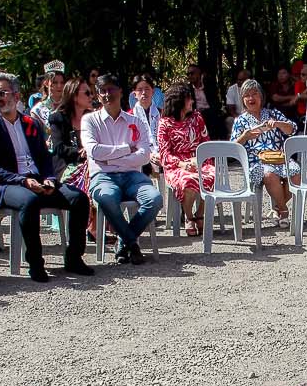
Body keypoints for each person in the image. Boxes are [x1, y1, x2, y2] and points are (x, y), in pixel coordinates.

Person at [0, 72, 94, 280]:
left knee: (78, 198)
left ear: (16, 95)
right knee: (29, 201)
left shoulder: (30, 123)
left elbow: (44, 157)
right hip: (6, 185)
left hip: (37, 180)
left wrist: (49, 178)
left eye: (3, 92)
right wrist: (23, 181)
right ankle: (35, 262)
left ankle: (74, 257)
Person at [80, 74, 161, 264]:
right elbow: (94, 151)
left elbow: (144, 155)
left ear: (121, 92)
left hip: (133, 176)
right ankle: (132, 244)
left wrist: (111, 160)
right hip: (104, 177)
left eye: (111, 89)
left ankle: (123, 241)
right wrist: (126, 149)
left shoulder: (135, 121)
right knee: (106, 198)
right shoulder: (90, 121)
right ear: (98, 95)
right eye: (103, 91)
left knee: (155, 199)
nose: (107, 94)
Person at [230, 79, 295, 225]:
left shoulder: (273, 113)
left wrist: (277, 124)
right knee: (269, 174)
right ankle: (284, 212)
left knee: (296, 173)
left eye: (255, 94)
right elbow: (232, 147)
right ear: (242, 99)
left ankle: (277, 208)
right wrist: (244, 137)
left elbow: (292, 129)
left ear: (262, 96)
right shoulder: (240, 121)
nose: (251, 98)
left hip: (278, 159)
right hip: (256, 163)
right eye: (247, 95)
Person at [157, 82, 215, 236]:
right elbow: (164, 155)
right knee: (187, 180)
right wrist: (182, 164)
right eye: (189, 99)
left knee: (212, 174)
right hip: (176, 164)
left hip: (199, 159)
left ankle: (200, 214)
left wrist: (199, 159)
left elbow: (206, 142)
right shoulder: (165, 123)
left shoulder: (196, 117)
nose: (192, 102)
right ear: (179, 101)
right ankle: (188, 217)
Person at [48, 75, 94, 178]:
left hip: (92, 165)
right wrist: (80, 152)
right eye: (87, 93)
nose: (91, 96)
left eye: (91, 93)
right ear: (74, 96)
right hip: (67, 167)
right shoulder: (58, 118)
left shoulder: (93, 118)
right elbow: (59, 148)